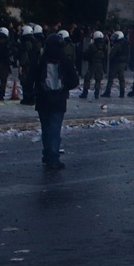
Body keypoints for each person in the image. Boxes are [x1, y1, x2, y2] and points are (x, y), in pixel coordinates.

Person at [32, 31, 78, 169]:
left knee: (46, 129)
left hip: (43, 99)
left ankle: (47, 154)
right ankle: (54, 158)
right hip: (58, 100)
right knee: (55, 130)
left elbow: (31, 77)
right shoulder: (65, 60)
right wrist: (64, 88)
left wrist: (30, 93)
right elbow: (75, 81)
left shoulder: (41, 59)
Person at [108, 31, 129, 98]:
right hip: (123, 63)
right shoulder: (125, 44)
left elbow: (112, 54)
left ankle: (107, 92)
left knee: (111, 78)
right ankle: (122, 92)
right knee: (121, 78)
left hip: (116, 63)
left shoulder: (117, 45)